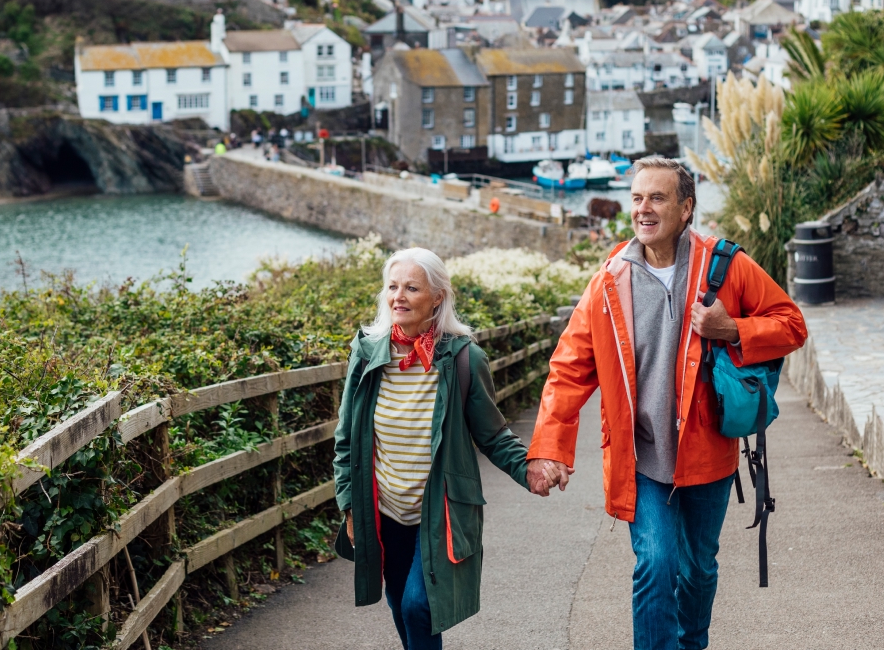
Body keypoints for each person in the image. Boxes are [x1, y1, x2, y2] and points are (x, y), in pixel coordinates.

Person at [526, 157, 807, 650]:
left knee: (698, 569)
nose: (644, 209)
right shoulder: (610, 281)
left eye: (657, 198)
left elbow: (791, 324)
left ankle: (692, 643)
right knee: (655, 564)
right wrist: (549, 448)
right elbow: (568, 367)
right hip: (641, 458)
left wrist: (732, 330)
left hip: (708, 453)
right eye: (636, 198)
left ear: (686, 207)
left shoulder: (725, 265)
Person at [333, 248, 547, 650]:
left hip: (439, 511)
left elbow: (494, 434)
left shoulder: (463, 359)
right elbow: (346, 437)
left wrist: (529, 469)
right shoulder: (366, 354)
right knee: (399, 603)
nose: (398, 296)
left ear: (437, 297)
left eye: (411, 287)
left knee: (418, 606)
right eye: (392, 287)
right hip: (384, 510)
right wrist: (348, 505)